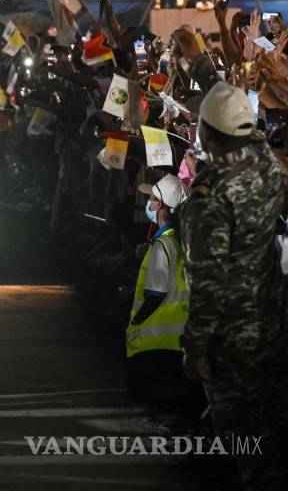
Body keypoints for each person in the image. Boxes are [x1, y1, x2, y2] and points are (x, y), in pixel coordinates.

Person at [179, 82, 288, 489]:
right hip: (273, 321)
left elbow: (209, 282)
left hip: (231, 337)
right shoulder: (270, 167)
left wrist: (196, 347)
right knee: (274, 430)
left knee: (246, 445)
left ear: (206, 133)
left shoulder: (210, 195)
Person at [125, 174, 204, 417]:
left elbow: (155, 293)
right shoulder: (183, 240)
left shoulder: (163, 245)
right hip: (180, 342)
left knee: (140, 394)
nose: (148, 203)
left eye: (150, 198)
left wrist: (136, 322)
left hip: (153, 342)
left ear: (159, 205)